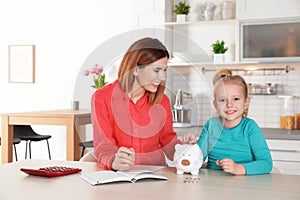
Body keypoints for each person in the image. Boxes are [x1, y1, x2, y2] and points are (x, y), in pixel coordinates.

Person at [91, 37, 182, 171]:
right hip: (119, 177)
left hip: (157, 175)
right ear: (135, 69)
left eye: (164, 70)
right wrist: (113, 161)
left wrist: (185, 150)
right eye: (156, 70)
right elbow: (104, 146)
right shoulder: (102, 98)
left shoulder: (162, 101)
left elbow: (168, 142)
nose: (162, 77)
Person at [184, 68, 272, 175]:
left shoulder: (250, 127)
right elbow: (197, 160)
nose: (229, 105)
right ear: (215, 104)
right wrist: (191, 148)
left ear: (246, 102)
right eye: (222, 100)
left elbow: (266, 164)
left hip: (244, 185)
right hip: (212, 184)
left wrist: (238, 168)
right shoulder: (211, 125)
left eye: (235, 99)